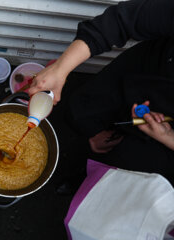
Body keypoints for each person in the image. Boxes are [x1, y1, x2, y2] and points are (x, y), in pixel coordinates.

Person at [29, 0, 174, 185]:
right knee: (79, 109)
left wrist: (167, 137)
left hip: (165, 139)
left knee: (123, 168)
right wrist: (60, 69)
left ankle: (85, 181)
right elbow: (121, 20)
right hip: (137, 72)